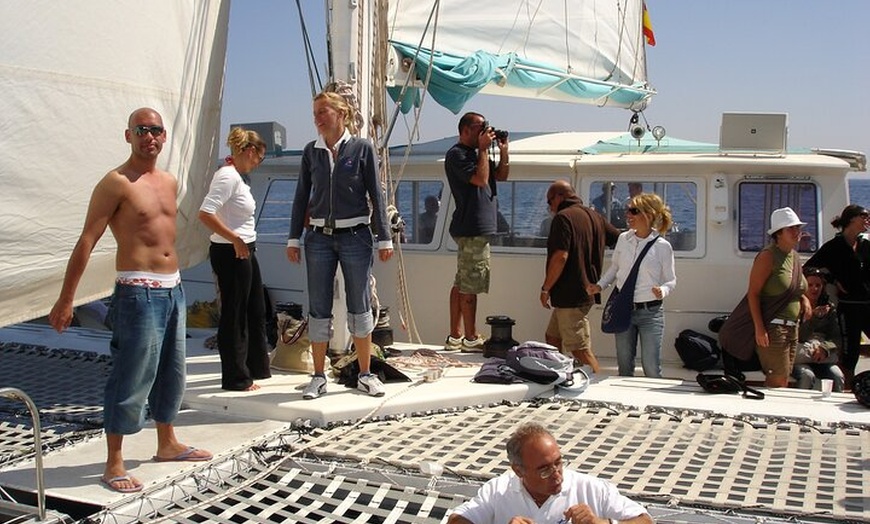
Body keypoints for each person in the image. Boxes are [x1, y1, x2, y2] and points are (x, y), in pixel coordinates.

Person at [48, 108, 212, 494]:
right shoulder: (115, 183)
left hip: (173, 289)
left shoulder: (169, 181)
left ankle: (167, 442)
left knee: (172, 373)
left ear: (164, 137)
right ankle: (114, 462)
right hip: (137, 291)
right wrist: (66, 299)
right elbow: (87, 240)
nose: (149, 136)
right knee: (131, 376)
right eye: (142, 130)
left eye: (155, 130)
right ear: (128, 135)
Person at [286, 91, 394, 400]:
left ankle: (365, 374)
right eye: (315, 113)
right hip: (318, 238)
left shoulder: (362, 149)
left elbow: (376, 193)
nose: (317, 118)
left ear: (341, 114)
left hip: (356, 236)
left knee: (359, 306)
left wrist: (383, 236)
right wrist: (294, 237)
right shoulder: (311, 152)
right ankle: (318, 376)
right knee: (319, 308)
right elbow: (301, 198)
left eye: (323, 112)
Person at [447, 422, 653, 524]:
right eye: (544, 469)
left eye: (559, 463)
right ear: (518, 471)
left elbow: (646, 521)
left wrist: (601, 523)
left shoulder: (591, 488)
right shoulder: (498, 490)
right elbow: (457, 520)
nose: (557, 474)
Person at [198, 127, 271, 391]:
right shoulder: (227, 177)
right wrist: (235, 239)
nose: (257, 164)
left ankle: (254, 368)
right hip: (232, 252)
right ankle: (235, 377)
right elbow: (206, 213)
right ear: (250, 151)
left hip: (245, 249)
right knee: (235, 314)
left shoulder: (237, 178)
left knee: (255, 309)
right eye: (258, 159)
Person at [587, 193, 676, 378]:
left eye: (633, 211)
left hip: (650, 312)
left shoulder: (662, 246)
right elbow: (615, 268)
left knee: (651, 367)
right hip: (624, 308)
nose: (628, 214)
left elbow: (671, 280)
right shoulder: (623, 239)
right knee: (624, 366)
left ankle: (652, 405)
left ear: (649, 214)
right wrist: (600, 286)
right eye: (627, 210)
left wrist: (663, 291)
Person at [444, 112, 510, 351]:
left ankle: (455, 336)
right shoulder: (457, 155)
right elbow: (481, 179)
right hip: (472, 227)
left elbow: (500, 176)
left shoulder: (475, 155)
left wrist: (502, 151)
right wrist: (483, 150)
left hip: (474, 228)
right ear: (465, 130)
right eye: (480, 127)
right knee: (471, 284)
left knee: (462, 282)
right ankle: (471, 339)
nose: (485, 132)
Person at [540, 181, 620, 373]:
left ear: (560, 197)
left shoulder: (563, 218)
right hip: (582, 293)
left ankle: (595, 384)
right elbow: (619, 239)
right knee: (553, 339)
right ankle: (557, 376)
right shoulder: (595, 216)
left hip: (570, 295)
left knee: (580, 349)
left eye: (549, 201)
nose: (550, 207)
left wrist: (545, 288)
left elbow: (560, 257)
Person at [746, 207, 811, 388]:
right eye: (791, 228)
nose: (797, 232)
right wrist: (760, 329)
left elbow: (796, 287)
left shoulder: (795, 257)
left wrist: (804, 300)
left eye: (797, 228)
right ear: (778, 234)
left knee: (783, 378)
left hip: (792, 328)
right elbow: (753, 293)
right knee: (777, 380)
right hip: (774, 329)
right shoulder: (768, 256)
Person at [806, 204, 870, 389]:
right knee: (851, 354)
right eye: (864, 216)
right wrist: (832, 279)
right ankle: (850, 391)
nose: (868, 219)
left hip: (868, 305)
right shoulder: (834, 247)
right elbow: (808, 268)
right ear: (851, 219)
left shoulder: (866, 245)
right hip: (849, 308)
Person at [793, 267, 845, 391]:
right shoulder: (795, 306)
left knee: (837, 376)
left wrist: (825, 348)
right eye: (810, 285)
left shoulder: (828, 308)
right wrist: (813, 318)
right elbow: (800, 336)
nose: (814, 289)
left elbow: (837, 337)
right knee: (807, 376)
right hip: (801, 356)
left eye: (818, 285)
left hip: (821, 357)